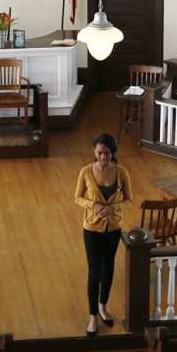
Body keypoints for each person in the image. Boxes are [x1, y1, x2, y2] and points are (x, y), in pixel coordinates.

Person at [73, 132, 131, 336]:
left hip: (113, 228)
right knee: (94, 271)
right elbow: (77, 197)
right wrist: (94, 205)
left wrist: (113, 207)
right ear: (94, 152)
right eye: (99, 153)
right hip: (91, 228)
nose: (103, 158)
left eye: (107, 153)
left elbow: (128, 199)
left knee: (109, 268)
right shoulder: (86, 172)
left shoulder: (122, 172)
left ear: (112, 153)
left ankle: (103, 306)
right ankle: (92, 317)